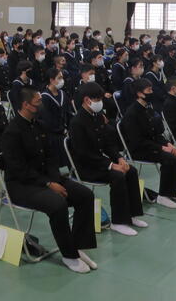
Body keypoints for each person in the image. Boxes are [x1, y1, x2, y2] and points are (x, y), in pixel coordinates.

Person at [1, 87, 97, 273]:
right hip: (21, 185)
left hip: (46, 178)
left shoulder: (40, 125)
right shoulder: (12, 132)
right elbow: (19, 169)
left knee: (85, 195)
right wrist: (48, 184)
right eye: (38, 102)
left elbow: (51, 157)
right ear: (26, 105)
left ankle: (77, 246)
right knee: (58, 204)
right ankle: (69, 255)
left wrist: (54, 180)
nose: (41, 105)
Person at [69, 82, 147, 236]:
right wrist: (111, 165)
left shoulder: (98, 117)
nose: (100, 103)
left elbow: (107, 143)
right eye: (97, 99)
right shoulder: (77, 122)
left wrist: (119, 158)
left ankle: (132, 215)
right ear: (87, 100)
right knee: (118, 176)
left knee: (131, 171)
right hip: (86, 167)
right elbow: (84, 154)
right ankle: (118, 222)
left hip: (99, 162)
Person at [120, 79, 176, 208]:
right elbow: (137, 141)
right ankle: (163, 196)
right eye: (149, 90)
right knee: (169, 158)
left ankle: (173, 192)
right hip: (139, 149)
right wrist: (161, 148)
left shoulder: (148, 108)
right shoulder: (132, 114)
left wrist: (167, 144)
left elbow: (156, 133)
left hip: (151, 144)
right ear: (139, 93)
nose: (152, 92)